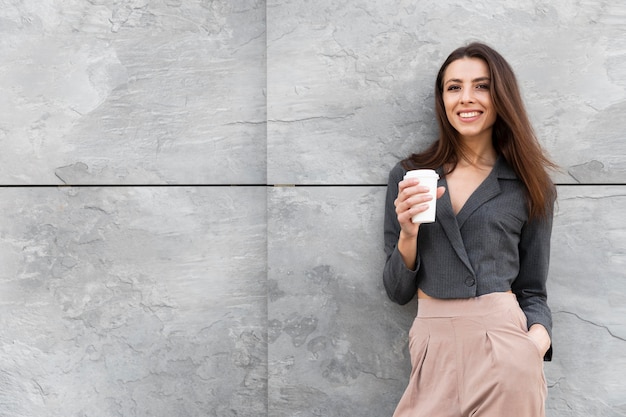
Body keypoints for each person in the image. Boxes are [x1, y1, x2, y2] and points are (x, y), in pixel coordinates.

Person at [383, 42, 557, 417]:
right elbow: (397, 291)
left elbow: (532, 290)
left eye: (481, 86)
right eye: (454, 87)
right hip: (432, 347)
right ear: (442, 98)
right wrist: (408, 234)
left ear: (501, 96)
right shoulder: (411, 176)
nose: (467, 98)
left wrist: (534, 344)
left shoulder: (528, 185)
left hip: (505, 349)